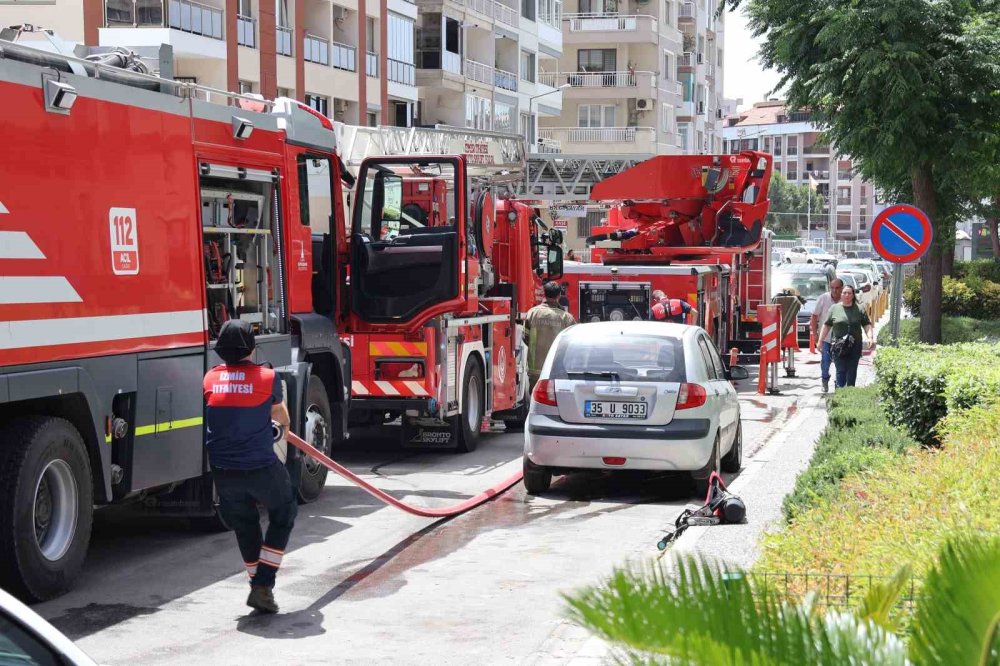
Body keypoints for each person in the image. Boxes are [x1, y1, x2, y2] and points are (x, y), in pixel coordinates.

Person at [203, 320, 295, 615]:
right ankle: (263, 585)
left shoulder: (209, 379)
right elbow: (282, 420)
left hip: (222, 470)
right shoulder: (268, 378)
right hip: (259, 467)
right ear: (252, 348)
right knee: (284, 511)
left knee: (245, 525)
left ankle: (259, 587)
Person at [819, 284, 875, 389]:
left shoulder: (860, 309)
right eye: (844, 293)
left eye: (849, 293)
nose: (847, 295)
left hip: (855, 346)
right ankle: (840, 394)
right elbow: (826, 325)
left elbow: (867, 324)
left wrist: (870, 337)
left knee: (851, 373)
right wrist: (820, 341)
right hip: (839, 347)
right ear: (841, 294)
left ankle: (849, 394)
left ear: (853, 295)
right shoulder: (834, 308)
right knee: (840, 371)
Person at [525, 281, 576, 388]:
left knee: (535, 400)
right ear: (559, 295)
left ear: (544, 294)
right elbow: (573, 346)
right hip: (557, 369)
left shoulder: (532, 313)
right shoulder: (567, 318)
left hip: (535, 369)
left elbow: (525, 338)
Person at [810, 278, 843, 393]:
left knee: (840, 363)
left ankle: (838, 384)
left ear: (841, 288)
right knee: (825, 361)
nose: (834, 290)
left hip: (841, 339)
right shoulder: (823, 298)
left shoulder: (846, 299)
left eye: (837, 288)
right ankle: (824, 380)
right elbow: (814, 317)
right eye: (832, 288)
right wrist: (815, 335)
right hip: (825, 338)